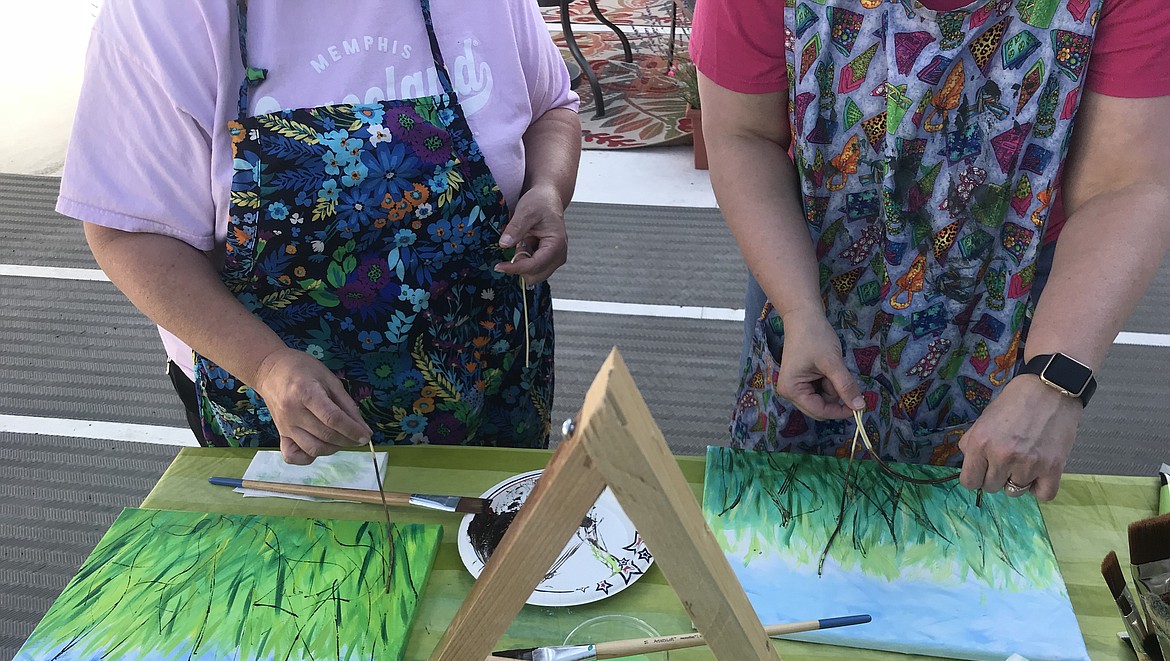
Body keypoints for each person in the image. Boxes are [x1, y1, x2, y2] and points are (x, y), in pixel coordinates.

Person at [58, 0, 581, 463]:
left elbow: (551, 109)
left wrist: (547, 190)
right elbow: (128, 232)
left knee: (490, 560)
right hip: (289, 418)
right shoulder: (164, 14)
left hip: (491, 382)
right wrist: (265, 365)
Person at [690, 0, 1170, 500]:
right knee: (786, 511)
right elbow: (743, 135)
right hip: (805, 256)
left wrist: (1055, 378)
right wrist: (798, 307)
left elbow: (1126, 185)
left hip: (1006, 281)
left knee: (975, 515)